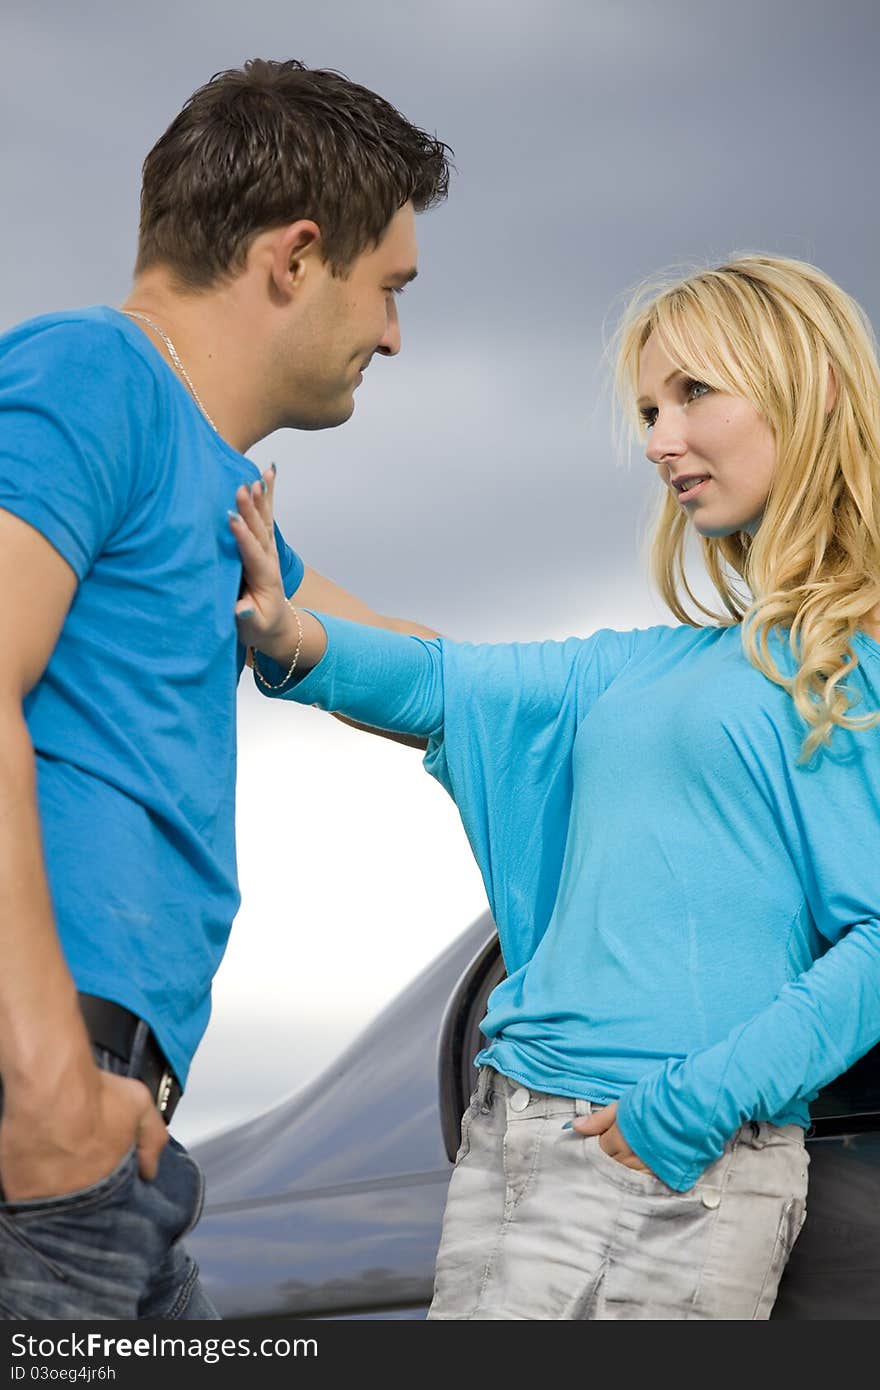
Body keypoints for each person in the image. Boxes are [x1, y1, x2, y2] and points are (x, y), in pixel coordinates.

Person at [231, 253, 880, 1320]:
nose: (659, 439)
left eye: (693, 394)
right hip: (510, 1138)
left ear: (805, 387)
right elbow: (443, 679)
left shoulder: (847, 661)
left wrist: (684, 1109)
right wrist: (280, 617)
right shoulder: (651, 665)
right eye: (647, 409)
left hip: (673, 1161)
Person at [0, 58, 450, 1320]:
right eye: (390, 289)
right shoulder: (91, 375)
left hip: (121, 1139)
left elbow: (424, 664)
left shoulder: (217, 492)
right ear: (295, 257)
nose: (393, 336)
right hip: (41, 1115)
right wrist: (44, 1092)